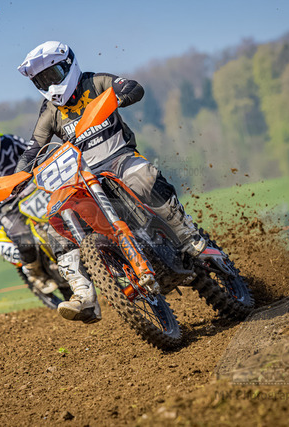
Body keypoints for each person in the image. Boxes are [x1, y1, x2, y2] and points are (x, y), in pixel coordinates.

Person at [16, 41, 209, 323]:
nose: (49, 84)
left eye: (52, 75)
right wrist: (18, 176)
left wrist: (120, 96)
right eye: (42, 81)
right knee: (58, 222)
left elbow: (133, 87)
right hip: (84, 177)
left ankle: (188, 235)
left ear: (68, 66)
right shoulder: (50, 112)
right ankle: (83, 295)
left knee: (142, 177)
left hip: (119, 159)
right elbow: (34, 148)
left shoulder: (95, 82)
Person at [0, 110, 57, 294]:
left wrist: (47, 164)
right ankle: (35, 274)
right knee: (24, 239)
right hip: (6, 208)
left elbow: (34, 152)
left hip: (32, 191)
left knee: (62, 211)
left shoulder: (10, 141)